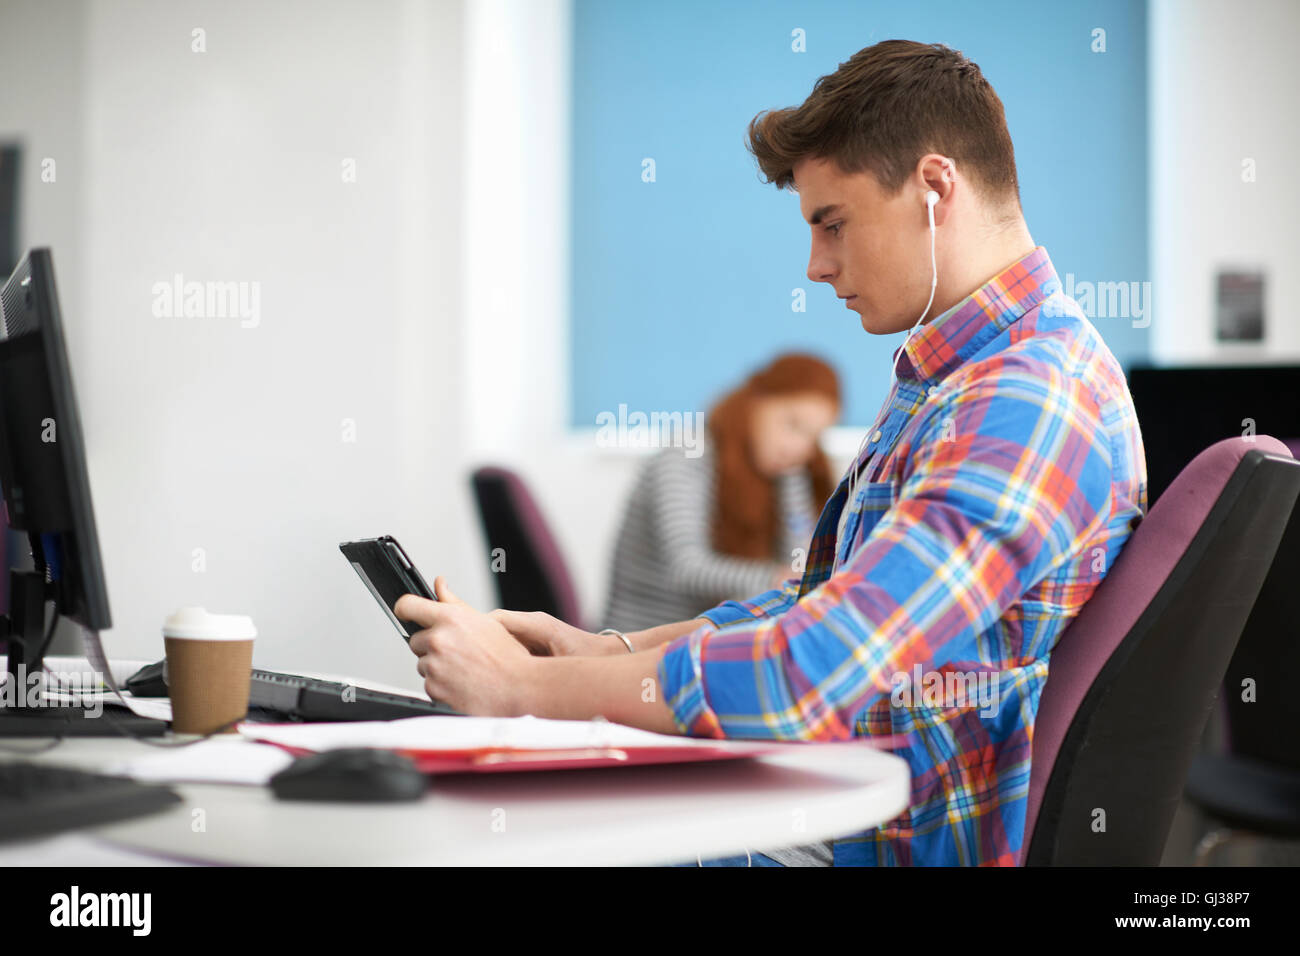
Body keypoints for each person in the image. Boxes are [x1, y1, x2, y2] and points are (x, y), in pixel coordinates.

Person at [394, 39, 1146, 867]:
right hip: (844, 809)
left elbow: (804, 677)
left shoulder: (1027, 400)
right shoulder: (958, 378)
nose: (816, 267)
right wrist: (608, 655)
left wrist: (530, 691)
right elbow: (817, 604)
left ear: (936, 187)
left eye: (833, 223)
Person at [602, 353, 839, 633]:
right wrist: (779, 577)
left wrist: (790, 477)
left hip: (711, 636)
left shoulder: (786, 466)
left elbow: (797, 557)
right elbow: (688, 568)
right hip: (642, 638)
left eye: (813, 436)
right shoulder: (686, 456)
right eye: (793, 425)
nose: (799, 447)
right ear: (756, 403)